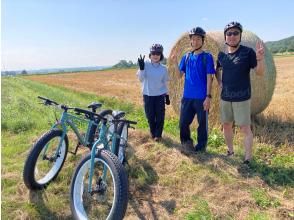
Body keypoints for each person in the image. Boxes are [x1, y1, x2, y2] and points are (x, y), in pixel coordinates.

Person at [215, 21, 265, 164]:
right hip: (225, 98)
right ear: (225, 37)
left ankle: (248, 158)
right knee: (226, 125)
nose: (232, 36)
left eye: (235, 33)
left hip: (242, 98)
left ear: (240, 35)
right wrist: (219, 83)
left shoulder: (247, 52)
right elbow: (217, 70)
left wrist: (260, 59)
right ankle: (230, 151)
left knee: (245, 128)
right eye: (229, 33)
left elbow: (260, 73)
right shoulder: (221, 56)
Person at [172, 27, 215, 152]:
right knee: (183, 123)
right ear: (190, 41)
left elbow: (209, 78)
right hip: (187, 97)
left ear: (203, 40)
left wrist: (208, 97)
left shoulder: (207, 57)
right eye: (193, 39)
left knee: (202, 125)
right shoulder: (186, 57)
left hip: (202, 97)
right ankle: (186, 143)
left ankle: (201, 148)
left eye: (198, 39)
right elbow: (179, 75)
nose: (195, 41)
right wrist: (175, 62)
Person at [137, 44, 170, 142]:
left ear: (161, 55)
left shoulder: (164, 68)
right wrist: (142, 69)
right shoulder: (145, 64)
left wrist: (167, 96)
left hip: (160, 95)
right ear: (150, 54)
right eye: (153, 53)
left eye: (158, 53)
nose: (155, 55)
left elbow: (165, 83)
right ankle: (153, 132)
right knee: (150, 116)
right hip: (148, 95)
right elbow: (140, 79)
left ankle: (158, 135)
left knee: (160, 116)